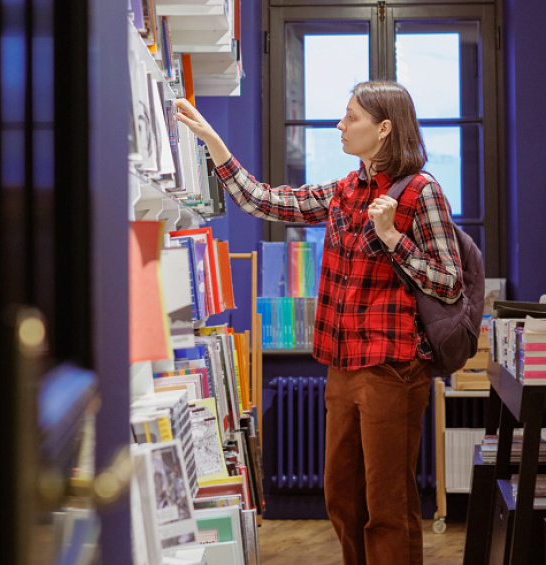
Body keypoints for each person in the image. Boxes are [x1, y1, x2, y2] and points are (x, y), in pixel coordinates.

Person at [175, 80, 463, 565]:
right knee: (344, 501)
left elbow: (449, 283)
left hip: (393, 370)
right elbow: (264, 201)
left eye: (351, 117)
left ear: (384, 128)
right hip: (341, 366)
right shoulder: (345, 191)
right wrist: (213, 142)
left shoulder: (421, 191)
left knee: (387, 507)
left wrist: (392, 236)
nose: (340, 125)